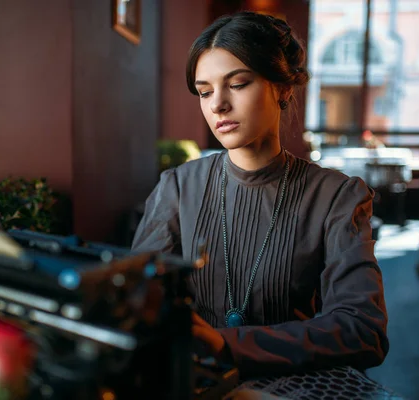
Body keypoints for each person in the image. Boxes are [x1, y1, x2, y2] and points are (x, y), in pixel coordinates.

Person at [131, 11, 389, 379]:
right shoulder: (177, 186)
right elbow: (138, 299)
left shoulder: (337, 196)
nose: (217, 104)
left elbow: (364, 331)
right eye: (204, 92)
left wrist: (228, 344)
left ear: (282, 88)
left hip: (293, 385)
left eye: (237, 84)